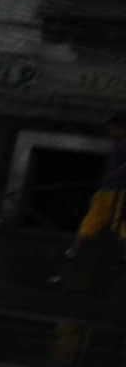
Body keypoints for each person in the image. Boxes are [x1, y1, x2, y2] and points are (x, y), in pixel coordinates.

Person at [61, 113, 126, 285]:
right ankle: (75, 249)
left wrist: (112, 176)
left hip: (117, 190)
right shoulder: (119, 144)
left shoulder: (124, 144)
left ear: (121, 128)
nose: (109, 131)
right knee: (96, 219)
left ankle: (75, 249)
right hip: (108, 190)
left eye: (112, 128)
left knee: (115, 222)